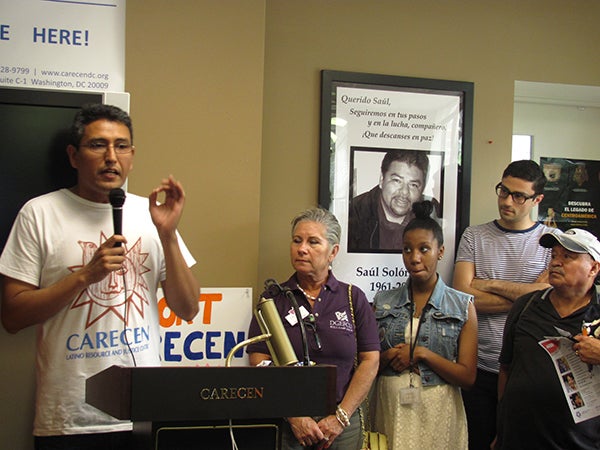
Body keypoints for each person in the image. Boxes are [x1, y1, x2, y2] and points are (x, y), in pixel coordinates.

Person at [0, 104, 200, 450]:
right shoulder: (39, 213)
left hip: (143, 413)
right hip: (69, 419)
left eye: (121, 146)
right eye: (98, 145)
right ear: (74, 156)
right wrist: (84, 277)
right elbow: (13, 316)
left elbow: (188, 308)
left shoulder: (152, 214)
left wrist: (167, 235)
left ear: (132, 156)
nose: (111, 157)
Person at [247, 207, 380, 450]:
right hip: (289, 424)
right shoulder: (273, 300)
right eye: (297, 240)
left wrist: (340, 417)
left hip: (343, 424)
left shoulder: (353, 298)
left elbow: (370, 360)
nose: (302, 248)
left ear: (333, 252)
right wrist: (294, 416)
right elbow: (258, 359)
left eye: (313, 242)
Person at [452, 159, 556, 450]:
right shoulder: (474, 236)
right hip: (479, 367)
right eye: (503, 191)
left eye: (519, 196)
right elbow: (463, 297)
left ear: (537, 200)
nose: (507, 201)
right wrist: (527, 294)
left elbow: (547, 299)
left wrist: (488, 283)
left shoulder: (552, 242)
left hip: (528, 371)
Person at [373, 200, 478, 450]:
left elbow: (468, 376)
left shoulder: (461, 306)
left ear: (440, 251)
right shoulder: (381, 302)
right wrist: (388, 355)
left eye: (424, 249)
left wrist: (421, 354)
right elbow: (365, 362)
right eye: (407, 250)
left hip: (438, 410)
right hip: (392, 408)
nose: (414, 258)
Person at [496, 228, 600, 449]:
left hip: (580, 443)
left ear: (594, 267)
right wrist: (501, 427)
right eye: (553, 255)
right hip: (518, 439)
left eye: (568, 256)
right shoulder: (525, 306)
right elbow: (506, 368)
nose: (555, 262)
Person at [348, 149, 440, 252]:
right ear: (381, 180)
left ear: (422, 188)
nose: (404, 192)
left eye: (413, 185)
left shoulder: (432, 213)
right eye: (397, 181)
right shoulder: (355, 211)